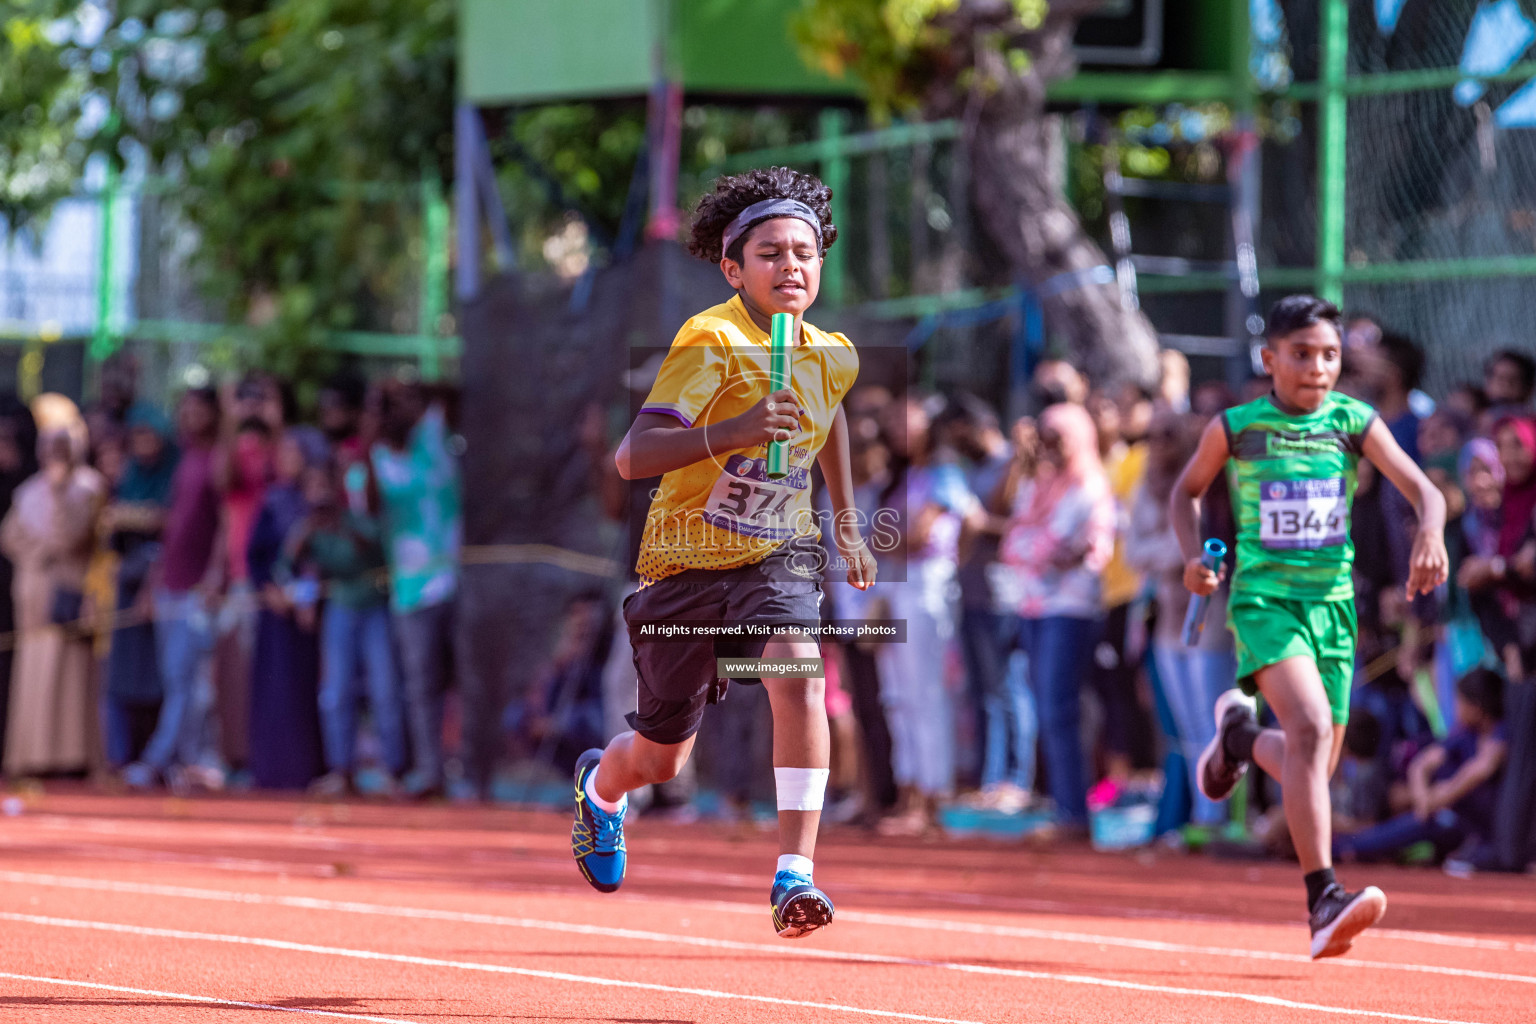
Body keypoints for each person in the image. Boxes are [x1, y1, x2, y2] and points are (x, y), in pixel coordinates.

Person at [578, 166, 875, 939]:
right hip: (682, 566)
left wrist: (845, 521)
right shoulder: (710, 339)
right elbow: (631, 457)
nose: (792, 268)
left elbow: (830, 416)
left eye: (805, 253)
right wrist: (735, 431)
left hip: (778, 552)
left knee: (797, 671)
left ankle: (794, 874)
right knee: (659, 761)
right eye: (771, 254)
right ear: (732, 268)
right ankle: (602, 790)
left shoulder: (833, 351)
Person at [1170, 295, 1448, 959]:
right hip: (1266, 602)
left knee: (1314, 765)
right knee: (1311, 729)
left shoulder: (1354, 421)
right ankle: (1323, 897)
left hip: (1335, 608)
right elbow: (1186, 493)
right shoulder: (1237, 427)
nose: (1318, 367)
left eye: (1329, 355)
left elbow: (1425, 491)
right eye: (1301, 354)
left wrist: (1430, 535)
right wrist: (1192, 558)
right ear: (1270, 359)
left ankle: (1238, 737)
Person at [998, 402, 1116, 839]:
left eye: (1057, 438)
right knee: (1047, 710)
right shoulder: (1039, 484)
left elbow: (1042, 546)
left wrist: (1036, 545)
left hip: (1071, 610)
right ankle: (1064, 807)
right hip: (1035, 607)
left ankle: (1073, 813)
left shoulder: (1089, 486)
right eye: (1044, 438)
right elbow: (1013, 546)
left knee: (1057, 709)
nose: (1049, 448)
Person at [284, 456, 407, 796]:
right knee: (336, 691)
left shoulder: (356, 521)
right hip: (339, 609)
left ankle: (392, 770)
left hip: (373, 607)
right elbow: (288, 568)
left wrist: (344, 528)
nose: (319, 494)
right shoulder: (307, 529)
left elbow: (379, 549)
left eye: (324, 486)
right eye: (312, 487)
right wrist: (299, 550)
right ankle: (341, 770)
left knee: (384, 689)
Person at [124, 387, 225, 791]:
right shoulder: (182, 460)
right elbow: (172, 528)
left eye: (198, 410)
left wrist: (216, 576)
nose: (189, 417)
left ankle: (158, 758)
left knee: (186, 676)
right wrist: (153, 582)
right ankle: (187, 761)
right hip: (170, 582)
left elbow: (224, 523)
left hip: (198, 586)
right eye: (184, 410)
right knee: (176, 677)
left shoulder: (218, 460)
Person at [1, 398, 107, 778]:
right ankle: (31, 756)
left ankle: (71, 757)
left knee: (68, 674)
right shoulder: (28, 490)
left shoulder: (89, 487)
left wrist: (61, 492)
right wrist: (38, 551)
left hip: (69, 592)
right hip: (30, 592)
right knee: (32, 671)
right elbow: (10, 536)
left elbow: (71, 537)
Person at [371, 378, 464, 798]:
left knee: (469, 681)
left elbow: (452, 391)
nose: (401, 410)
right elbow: (370, 509)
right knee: (421, 687)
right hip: (410, 591)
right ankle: (431, 773)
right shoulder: (377, 461)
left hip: (458, 583)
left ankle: (472, 772)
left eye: (407, 402)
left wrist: (417, 390)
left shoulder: (434, 432)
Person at [1335, 668, 1507, 863]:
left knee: (1425, 820)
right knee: (1417, 813)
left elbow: (1479, 771)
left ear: (1477, 707)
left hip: (1475, 824)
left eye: (1460, 701)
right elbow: (1421, 765)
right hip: (1442, 810)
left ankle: (1344, 848)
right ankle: (1346, 846)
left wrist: (1437, 797)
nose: (1456, 707)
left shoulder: (1500, 734)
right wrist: (1424, 798)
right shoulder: (1465, 733)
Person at [245, 427, 327, 791]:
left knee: (305, 689)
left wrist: (308, 596)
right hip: (275, 610)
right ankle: (269, 767)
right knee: (272, 687)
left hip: (310, 613)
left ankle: (308, 768)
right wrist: (269, 590)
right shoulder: (274, 500)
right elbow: (255, 554)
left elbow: (323, 555)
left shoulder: (319, 501)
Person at [100, 406, 179, 769]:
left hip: (161, 581)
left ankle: (156, 758)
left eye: (151, 436)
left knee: (161, 675)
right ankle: (121, 756)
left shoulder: (172, 473)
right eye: (138, 437)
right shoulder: (129, 475)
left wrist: (153, 581)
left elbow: (169, 525)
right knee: (120, 674)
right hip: (126, 583)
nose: (144, 444)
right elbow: (111, 529)